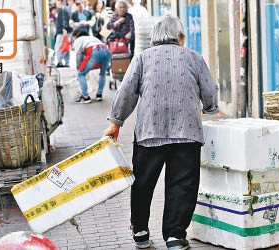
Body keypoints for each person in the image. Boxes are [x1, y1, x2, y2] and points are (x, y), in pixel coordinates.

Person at [103, 16, 219, 250]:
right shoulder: (194, 58)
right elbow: (209, 89)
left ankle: (140, 231)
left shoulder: (143, 58)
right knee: (182, 183)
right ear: (180, 37)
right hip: (185, 132)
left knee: (143, 182)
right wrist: (210, 108)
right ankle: (175, 236)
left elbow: (126, 91)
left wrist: (116, 122)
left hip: (149, 132)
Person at [72, 29, 111, 103]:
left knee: (81, 74)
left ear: (75, 36)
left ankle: (85, 97)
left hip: (94, 51)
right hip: (106, 50)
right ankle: (99, 94)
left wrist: (79, 69)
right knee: (102, 74)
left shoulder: (78, 40)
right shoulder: (91, 37)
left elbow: (79, 56)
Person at [55, 0, 73, 67]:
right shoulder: (65, 8)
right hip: (65, 31)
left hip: (62, 31)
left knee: (59, 46)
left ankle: (60, 62)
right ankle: (66, 62)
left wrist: (64, 28)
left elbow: (64, 19)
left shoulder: (62, 9)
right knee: (66, 46)